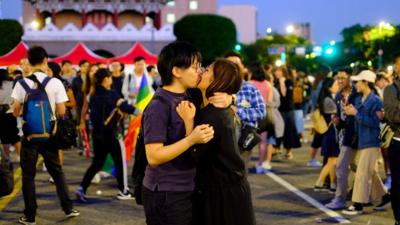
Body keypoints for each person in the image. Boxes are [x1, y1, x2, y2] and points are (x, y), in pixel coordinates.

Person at [142, 41, 233, 225]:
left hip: (186, 187)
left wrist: (230, 97)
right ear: (176, 71)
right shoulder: (158, 106)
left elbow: (223, 87)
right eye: (194, 66)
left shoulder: (188, 94)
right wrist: (191, 140)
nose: (199, 71)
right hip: (166, 193)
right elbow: (153, 156)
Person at [179, 59, 255, 225]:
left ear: (216, 81)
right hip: (223, 189)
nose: (200, 71)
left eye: (206, 70)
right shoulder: (206, 104)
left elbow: (193, 157)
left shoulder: (214, 115)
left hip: (224, 197)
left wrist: (188, 123)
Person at [11, 46, 79, 225]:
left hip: (29, 137)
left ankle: (30, 216)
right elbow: (62, 111)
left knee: (28, 177)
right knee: (57, 173)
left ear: (28, 61)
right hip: (50, 136)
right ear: (45, 60)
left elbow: (16, 111)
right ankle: (68, 207)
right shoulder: (55, 83)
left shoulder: (21, 83)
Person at [75, 68, 138, 202]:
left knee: (97, 163)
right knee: (120, 163)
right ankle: (124, 191)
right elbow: (126, 107)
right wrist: (142, 112)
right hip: (112, 135)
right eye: (109, 78)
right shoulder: (112, 94)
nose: (111, 80)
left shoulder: (92, 95)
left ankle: (82, 188)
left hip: (97, 136)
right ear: (105, 80)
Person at [342, 70, 390, 215]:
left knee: (363, 172)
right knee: (370, 171)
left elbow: (375, 123)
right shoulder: (358, 99)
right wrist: (349, 112)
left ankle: (358, 204)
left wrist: (356, 114)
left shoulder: (376, 101)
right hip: (361, 140)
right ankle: (385, 196)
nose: (355, 84)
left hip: (371, 140)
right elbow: (357, 120)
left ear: (366, 83)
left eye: (358, 81)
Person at [224, 51, 266, 169]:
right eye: (229, 64)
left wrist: (238, 111)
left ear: (243, 67)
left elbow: (261, 112)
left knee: (240, 178)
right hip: (222, 141)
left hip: (243, 140)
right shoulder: (218, 87)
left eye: (236, 64)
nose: (233, 68)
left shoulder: (250, 88)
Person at [325, 67, 358, 209]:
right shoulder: (338, 95)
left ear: (350, 78)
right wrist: (336, 119)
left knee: (340, 166)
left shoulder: (357, 94)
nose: (339, 81)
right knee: (358, 167)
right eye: (337, 78)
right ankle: (382, 194)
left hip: (355, 135)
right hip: (343, 135)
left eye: (342, 78)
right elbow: (340, 115)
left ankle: (340, 199)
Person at [313, 77, 339, 192]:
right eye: (335, 85)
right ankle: (320, 182)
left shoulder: (325, 98)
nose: (337, 86)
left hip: (329, 133)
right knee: (333, 160)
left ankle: (332, 184)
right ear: (329, 87)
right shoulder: (328, 100)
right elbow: (334, 117)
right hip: (331, 133)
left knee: (331, 160)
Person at [383, 55, 400, 225]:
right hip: (398, 142)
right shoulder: (391, 89)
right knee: (398, 183)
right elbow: (392, 115)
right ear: (395, 67)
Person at [249, 63, 273, 173]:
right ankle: (259, 164)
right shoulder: (268, 84)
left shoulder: (249, 84)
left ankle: (244, 163)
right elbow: (270, 102)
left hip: (250, 115)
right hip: (263, 115)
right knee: (263, 142)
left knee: (246, 139)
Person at [273, 66, 301, 159]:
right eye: (276, 71)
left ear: (283, 72)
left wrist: (282, 83)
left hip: (288, 109)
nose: (276, 73)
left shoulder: (288, 81)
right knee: (277, 129)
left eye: (278, 71)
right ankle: (276, 149)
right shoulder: (275, 81)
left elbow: (285, 95)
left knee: (289, 130)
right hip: (278, 109)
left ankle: (288, 151)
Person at [0, 69, 21, 162]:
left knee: (3, 138)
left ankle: (6, 158)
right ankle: (21, 156)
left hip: (1, 114)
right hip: (10, 113)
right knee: (14, 137)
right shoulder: (13, 84)